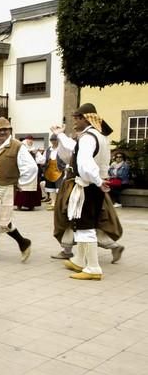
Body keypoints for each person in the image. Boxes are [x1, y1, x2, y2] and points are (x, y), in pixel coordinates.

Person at [50, 103, 113, 280]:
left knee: (85, 227)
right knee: (84, 225)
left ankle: (93, 268)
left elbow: (85, 164)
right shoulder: (98, 136)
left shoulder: (87, 138)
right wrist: (60, 134)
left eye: (77, 118)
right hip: (93, 186)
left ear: (86, 118)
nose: (75, 122)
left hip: (88, 186)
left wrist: (99, 181)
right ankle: (79, 259)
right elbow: (74, 148)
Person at [0, 117, 37, 262]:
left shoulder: (17, 146)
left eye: (5, 129)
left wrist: (19, 182)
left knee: (2, 220)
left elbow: (31, 167)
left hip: (6, 187)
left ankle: (23, 242)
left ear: (10, 130)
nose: (2, 132)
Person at [37, 134, 66, 210]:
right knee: (51, 189)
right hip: (49, 171)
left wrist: (65, 167)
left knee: (59, 189)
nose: (53, 142)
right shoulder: (48, 150)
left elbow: (66, 159)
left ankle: (59, 204)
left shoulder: (61, 149)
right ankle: (53, 203)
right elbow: (43, 159)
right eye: (52, 140)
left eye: (55, 140)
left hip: (59, 170)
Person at [13, 136, 42, 210]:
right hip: (24, 169)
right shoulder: (21, 148)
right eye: (29, 140)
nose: (30, 142)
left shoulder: (34, 149)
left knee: (31, 189)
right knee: (22, 189)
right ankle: (20, 204)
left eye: (32, 140)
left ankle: (31, 205)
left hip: (32, 170)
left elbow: (41, 160)